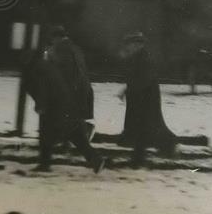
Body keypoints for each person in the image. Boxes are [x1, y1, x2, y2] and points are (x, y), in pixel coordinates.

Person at [25, 27, 105, 173]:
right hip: (74, 98)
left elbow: (55, 77)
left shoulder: (59, 51)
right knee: (71, 131)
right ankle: (94, 159)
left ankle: (45, 164)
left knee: (48, 129)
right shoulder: (75, 49)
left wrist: (44, 102)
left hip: (60, 98)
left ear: (55, 38)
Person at [118, 32, 178, 167]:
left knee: (145, 127)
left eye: (131, 44)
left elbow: (143, 79)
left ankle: (141, 158)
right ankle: (144, 156)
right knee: (147, 127)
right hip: (141, 98)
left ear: (138, 45)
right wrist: (127, 90)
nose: (129, 47)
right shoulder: (138, 57)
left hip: (145, 99)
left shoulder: (143, 58)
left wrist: (129, 89)